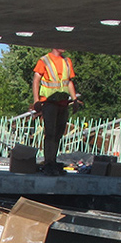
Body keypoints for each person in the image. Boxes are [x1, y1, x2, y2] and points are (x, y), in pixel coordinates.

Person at [31, 48, 79, 176]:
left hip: (63, 103)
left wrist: (74, 100)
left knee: (58, 134)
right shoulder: (45, 60)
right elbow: (36, 79)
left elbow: (68, 82)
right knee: (50, 133)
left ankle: (53, 161)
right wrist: (36, 100)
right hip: (49, 102)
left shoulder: (67, 61)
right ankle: (48, 162)